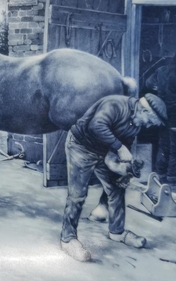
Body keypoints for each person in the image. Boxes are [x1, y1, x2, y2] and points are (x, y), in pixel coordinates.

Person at [60, 93, 167, 262]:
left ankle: (117, 232)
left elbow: (121, 151)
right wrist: (119, 147)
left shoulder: (136, 125)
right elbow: (97, 125)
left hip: (103, 151)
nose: (148, 126)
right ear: (143, 110)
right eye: (150, 121)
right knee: (77, 194)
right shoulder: (116, 104)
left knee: (116, 189)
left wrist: (124, 169)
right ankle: (68, 239)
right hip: (80, 146)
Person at [146, 45, 176, 185]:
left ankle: (160, 176)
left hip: (162, 111)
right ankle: (172, 178)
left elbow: (149, 83)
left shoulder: (161, 69)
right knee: (175, 146)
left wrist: (161, 91)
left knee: (163, 144)